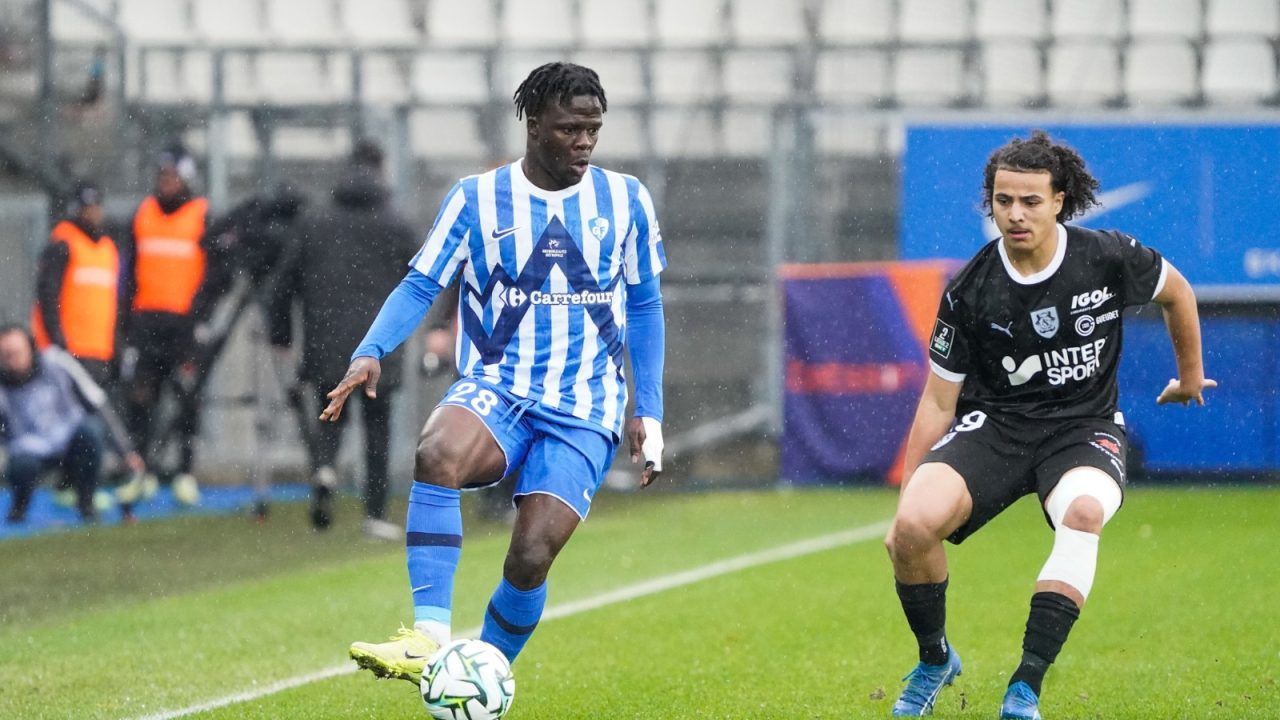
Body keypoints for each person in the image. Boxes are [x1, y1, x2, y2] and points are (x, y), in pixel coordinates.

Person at [326, 62, 667, 684]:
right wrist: (371, 349)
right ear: (533, 126)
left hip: (584, 406)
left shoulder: (625, 201)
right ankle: (428, 639)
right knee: (437, 452)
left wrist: (649, 409)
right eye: (569, 130)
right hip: (497, 388)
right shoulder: (476, 199)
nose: (584, 143)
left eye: (593, 129)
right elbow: (422, 282)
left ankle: (482, 676)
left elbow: (644, 305)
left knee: (530, 555)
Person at [883, 131, 1215, 718]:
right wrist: (909, 494)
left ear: (1060, 201)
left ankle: (1026, 685)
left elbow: (1177, 291)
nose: (1015, 214)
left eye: (1030, 201)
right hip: (996, 427)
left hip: (1084, 428)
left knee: (1083, 513)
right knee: (910, 530)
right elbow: (937, 402)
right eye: (1003, 200)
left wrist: (1190, 376)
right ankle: (935, 660)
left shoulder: (1106, 255)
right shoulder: (970, 289)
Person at [268, 140, 418, 538]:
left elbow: (283, 282)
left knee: (331, 413)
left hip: (327, 341)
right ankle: (375, 512)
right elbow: (420, 279)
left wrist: (281, 333)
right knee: (377, 425)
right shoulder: (396, 224)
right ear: (381, 168)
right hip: (379, 345)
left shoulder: (315, 222)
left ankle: (324, 470)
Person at [119, 145, 212, 507]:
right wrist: (126, 321)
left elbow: (212, 274)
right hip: (146, 322)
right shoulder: (143, 214)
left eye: (172, 176)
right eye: (162, 176)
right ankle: (142, 471)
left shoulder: (201, 215)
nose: (166, 183)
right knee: (141, 399)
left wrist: (200, 317)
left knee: (187, 398)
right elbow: (129, 273)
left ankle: (185, 473)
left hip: (184, 325)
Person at [0, 324, 143, 523]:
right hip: (29, 449)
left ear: (31, 348)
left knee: (91, 431)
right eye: (6, 355)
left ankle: (87, 505)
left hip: (70, 438)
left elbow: (98, 403)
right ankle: (18, 510)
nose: (12, 361)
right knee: (21, 464)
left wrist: (126, 451)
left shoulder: (57, 362)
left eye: (17, 353)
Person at [31, 181, 120, 386]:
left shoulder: (107, 248)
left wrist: (116, 344)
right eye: (86, 208)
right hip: (69, 349)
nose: (92, 213)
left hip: (98, 348)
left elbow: (112, 300)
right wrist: (57, 340)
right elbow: (48, 296)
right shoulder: (63, 243)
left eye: (95, 207)